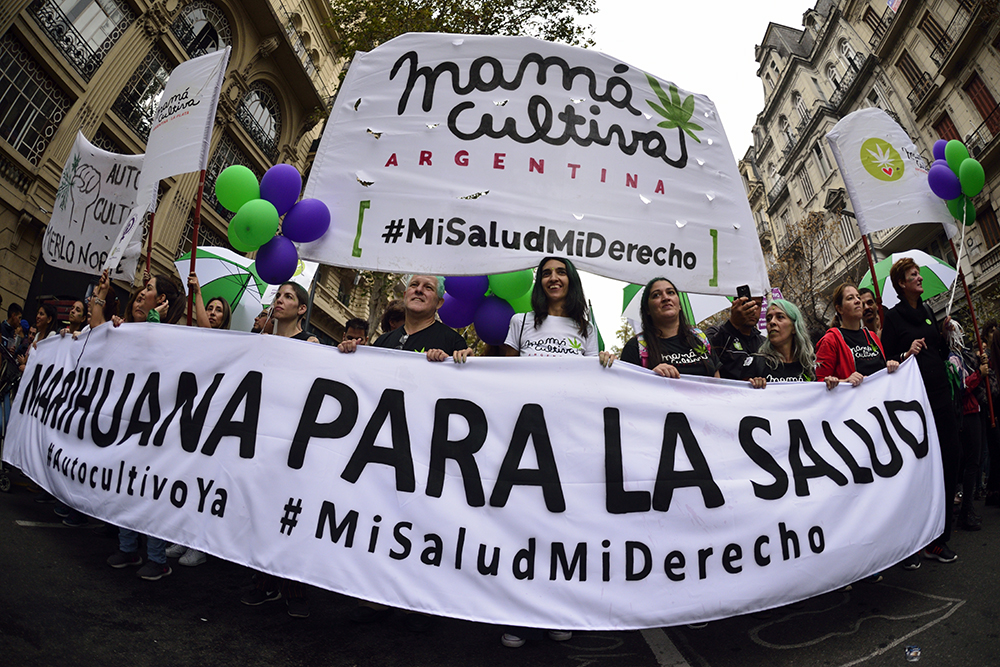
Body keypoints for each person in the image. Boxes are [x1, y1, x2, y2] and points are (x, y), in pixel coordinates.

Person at [880, 257, 961, 565]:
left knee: (951, 460)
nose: (919, 278)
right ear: (902, 283)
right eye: (913, 275)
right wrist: (906, 352)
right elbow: (887, 360)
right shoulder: (893, 317)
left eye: (918, 274)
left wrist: (945, 333)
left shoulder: (927, 311)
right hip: (917, 404)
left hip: (941, 398)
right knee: (925, 468)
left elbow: (938, 351)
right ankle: (923, 538)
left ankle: (940, 536)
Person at [503, 256, 611, 364]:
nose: (553, 278)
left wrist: (607, 362)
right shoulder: (520, 321)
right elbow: (509, 369)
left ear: (571, 280)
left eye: (561, 272)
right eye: (546, 274)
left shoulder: (587, 329)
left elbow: (591, 371)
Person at [620, 277, 721, 378]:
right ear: (647, 310)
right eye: (656, 295)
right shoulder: (635, 347)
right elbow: (627, 385)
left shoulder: (700, 337)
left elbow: (717, 380)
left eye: (671, 292)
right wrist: (651, 376)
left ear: (679, 305)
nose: (666, 298)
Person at [815, 284, 898, 389]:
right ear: (839, 309)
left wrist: (890, 365)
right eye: (850, 298)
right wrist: (845, 381)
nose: (858, 301)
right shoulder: (830, 340)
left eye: (858, 297)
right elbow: (820, 384)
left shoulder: (872, 337)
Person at [946, 321, 986, 531]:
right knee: (972, 463)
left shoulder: (962, 356)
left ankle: (966, 508)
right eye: (957, 331)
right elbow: (961, 386)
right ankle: (966, 511)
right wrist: (979, 374)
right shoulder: (953, 359)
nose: (961, 334)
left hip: (973, 411)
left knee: (973, 462)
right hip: (967, 414)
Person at [743, 299, 816, 387]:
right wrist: (753, 385)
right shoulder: (756, 363)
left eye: (780, 317)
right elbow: (741, 392)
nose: (772, 322)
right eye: (768, 319)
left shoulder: (806, 366)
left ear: (794, 327)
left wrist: (828, 386)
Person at [706, 293, 764, 379]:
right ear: (736, 305)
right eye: (748, 304)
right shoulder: (714, 333)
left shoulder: (763, 343)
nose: (753, 310)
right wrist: (733, 324)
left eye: (757, 305)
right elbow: (709, 357)